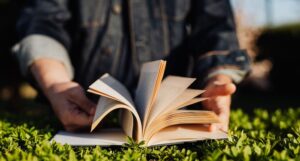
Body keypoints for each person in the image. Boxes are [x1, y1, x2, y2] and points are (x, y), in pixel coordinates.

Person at [13, 0, 250, 132]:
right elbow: (42, 22)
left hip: (171, 116)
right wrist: (56, 83)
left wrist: (218, 79)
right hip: (87, 112)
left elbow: (215, 25)